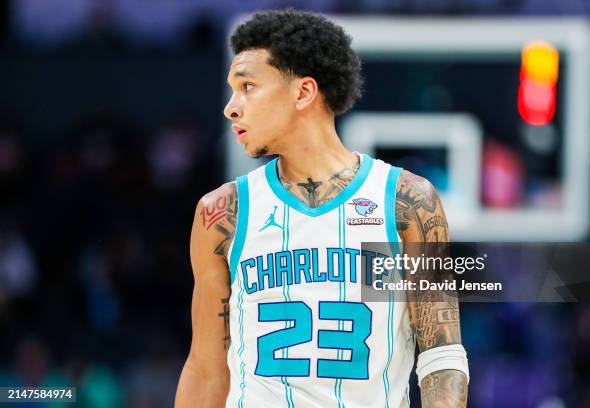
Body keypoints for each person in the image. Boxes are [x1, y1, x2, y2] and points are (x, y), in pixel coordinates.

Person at [175, 8, 469, 408]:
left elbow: (441, 355)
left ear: (303, 92)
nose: (231, 106)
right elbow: (207, 371)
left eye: (247, 86)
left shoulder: (406, 203)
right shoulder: (222, 213)